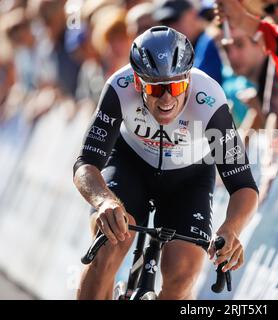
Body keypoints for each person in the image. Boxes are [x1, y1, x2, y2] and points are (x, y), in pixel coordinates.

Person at [73, 26, 259, 299]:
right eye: (156, 88)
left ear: (188, 79)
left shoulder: (209, 100)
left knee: (183, 271)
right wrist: (104, 201)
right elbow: (85, 164)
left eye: (176, 86)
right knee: (109, 246)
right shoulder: (119, 87)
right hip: (130, 165)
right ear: (138, 83)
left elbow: (243, 185)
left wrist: (231, 229)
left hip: (189, 177)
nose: (167, 98)